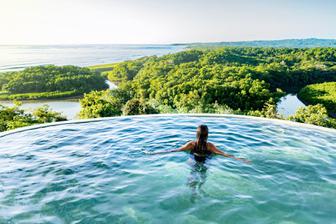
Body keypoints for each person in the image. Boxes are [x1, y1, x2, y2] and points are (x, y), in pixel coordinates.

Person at [152, 124, 249, 163]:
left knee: (193, 173)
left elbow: (176, 150)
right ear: (207, 135)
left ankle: (193, 188)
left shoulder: (191, 144)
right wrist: (239, 159)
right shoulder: (210, 146)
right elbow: (223, 154)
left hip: (193, 158)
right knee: (203, 175)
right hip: (206, 160)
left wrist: (158, 153)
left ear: (197, 134)